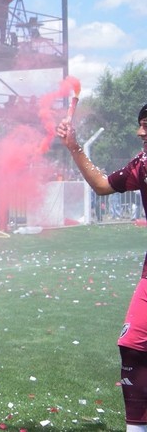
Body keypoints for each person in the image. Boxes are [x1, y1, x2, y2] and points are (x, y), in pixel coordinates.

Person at [57, 108, 147, 432]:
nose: (140, 133)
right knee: (132, 345)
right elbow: (102, 185)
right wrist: (74, 147)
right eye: (140, 126)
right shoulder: (142, 165)